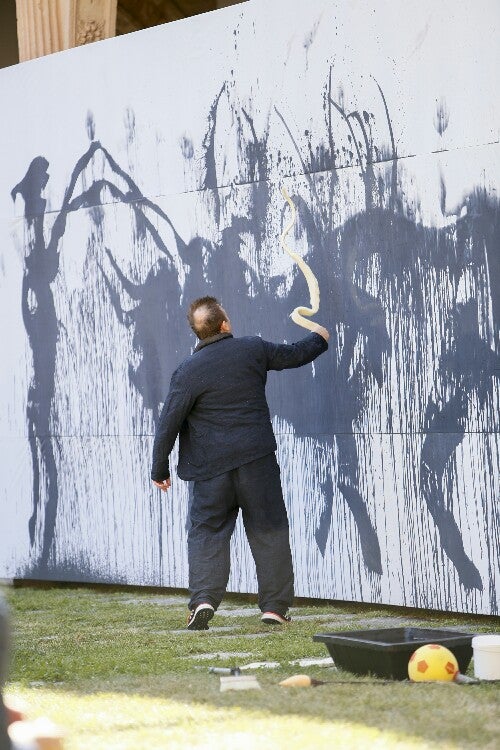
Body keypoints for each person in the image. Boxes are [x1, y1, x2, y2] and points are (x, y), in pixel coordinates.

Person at [151, 296, 329, 629]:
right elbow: (296, 354)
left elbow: (168, 422)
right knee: (269, 531)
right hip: (256, 462)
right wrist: (320, 336)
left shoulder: (188, 371)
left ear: (198, 333)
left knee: (207, 533)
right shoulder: (252, 349)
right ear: (225, 325)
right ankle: (274, 608)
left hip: (210, 471)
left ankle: (203, 600)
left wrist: (159, 470)